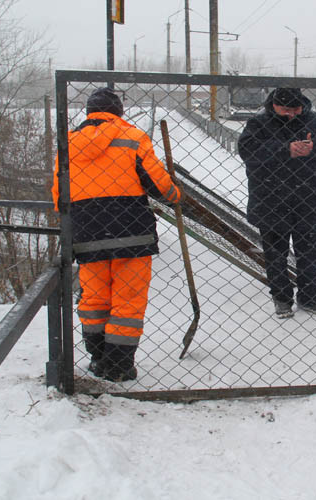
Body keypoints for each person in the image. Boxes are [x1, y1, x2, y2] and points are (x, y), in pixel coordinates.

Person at [52, 87, 181, 382]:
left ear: (89, 113)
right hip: (131, 233)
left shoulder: (67, 145)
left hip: (87, 234)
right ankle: (119, 365)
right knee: (128, 302)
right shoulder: (134, 138)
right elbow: (158, 185)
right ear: (119, 112)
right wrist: (175, 195)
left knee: (94, 298)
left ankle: (98, 357)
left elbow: (59, 196)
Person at [238, 87, 316, 319]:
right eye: (285, 110)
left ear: (302, 105)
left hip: (309, 199)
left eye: (295, 109)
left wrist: (314, 146)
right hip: (270, 200)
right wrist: (286, 150)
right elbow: (247, 150)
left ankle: (309, 297)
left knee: (310, 252)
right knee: (276, 254)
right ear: (273, 105)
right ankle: (282, 298)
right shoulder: (258, 123)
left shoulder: (315, 121)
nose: (291, 115)